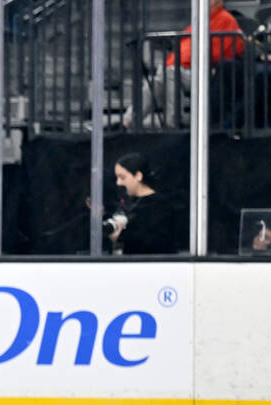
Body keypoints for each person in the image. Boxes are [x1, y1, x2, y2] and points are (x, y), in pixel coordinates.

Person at [122, 0, 244, 129]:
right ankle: (128, 121)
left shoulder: (226, 19)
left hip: (208, 72)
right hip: (185, 69)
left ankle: (174, 121)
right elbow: (184, 48)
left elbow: (218, 52)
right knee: (155, 81)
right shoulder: (201, 19)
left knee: (170, 73)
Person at [105, 152, 177, 255]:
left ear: (138, 176)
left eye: (122, 177)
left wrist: (123, 236)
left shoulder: (161, 205)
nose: (118, 182)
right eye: (117, 178)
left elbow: (158, 244)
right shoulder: (126, 203)